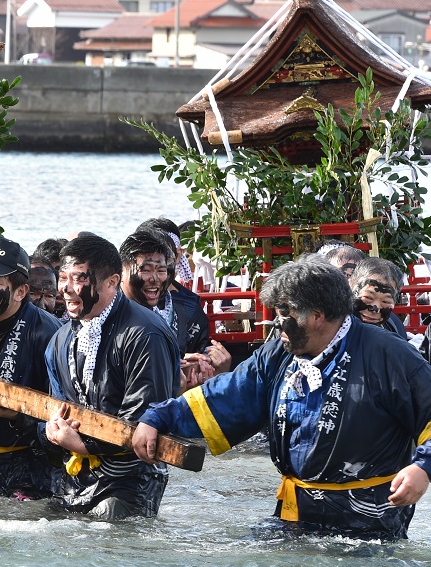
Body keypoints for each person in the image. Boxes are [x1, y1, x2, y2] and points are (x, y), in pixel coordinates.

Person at [133, 255, 431, 540]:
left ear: (317, 315)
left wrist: (423, 468)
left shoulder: (391, 355)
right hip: (296, 513)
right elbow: (229, 394)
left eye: (286, 313)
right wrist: (159, 416)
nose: (278, 323)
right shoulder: (279, 352)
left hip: (369, 521)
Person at [41, 234, 178, 520]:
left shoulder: (144, 334)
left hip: (131, 476)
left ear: (112, 282)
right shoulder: (59, 339)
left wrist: (82, 444)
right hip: (75, 473)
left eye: (79, 279)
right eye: (62, 277)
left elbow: (148, 417)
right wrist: (50, 430)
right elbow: (57, 406)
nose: (66, 289)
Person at [0, 236, 63, 499]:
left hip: (36, 467)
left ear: (20, 291)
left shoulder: (49, 334)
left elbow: (68, 410)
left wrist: (16, 415)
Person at [136, 217, 230, 379]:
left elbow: (198, 355)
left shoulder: (191, 306)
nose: (155, 275)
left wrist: (213, 367)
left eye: (165, 258)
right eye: (147, 265)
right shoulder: (117, 303)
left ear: (178, 256)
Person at [348, 256, 408, 340]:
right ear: (350, 288)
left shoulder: (394, 326)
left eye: (386, 302)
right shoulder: (331, 329)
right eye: (368, 297)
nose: (375, 309)